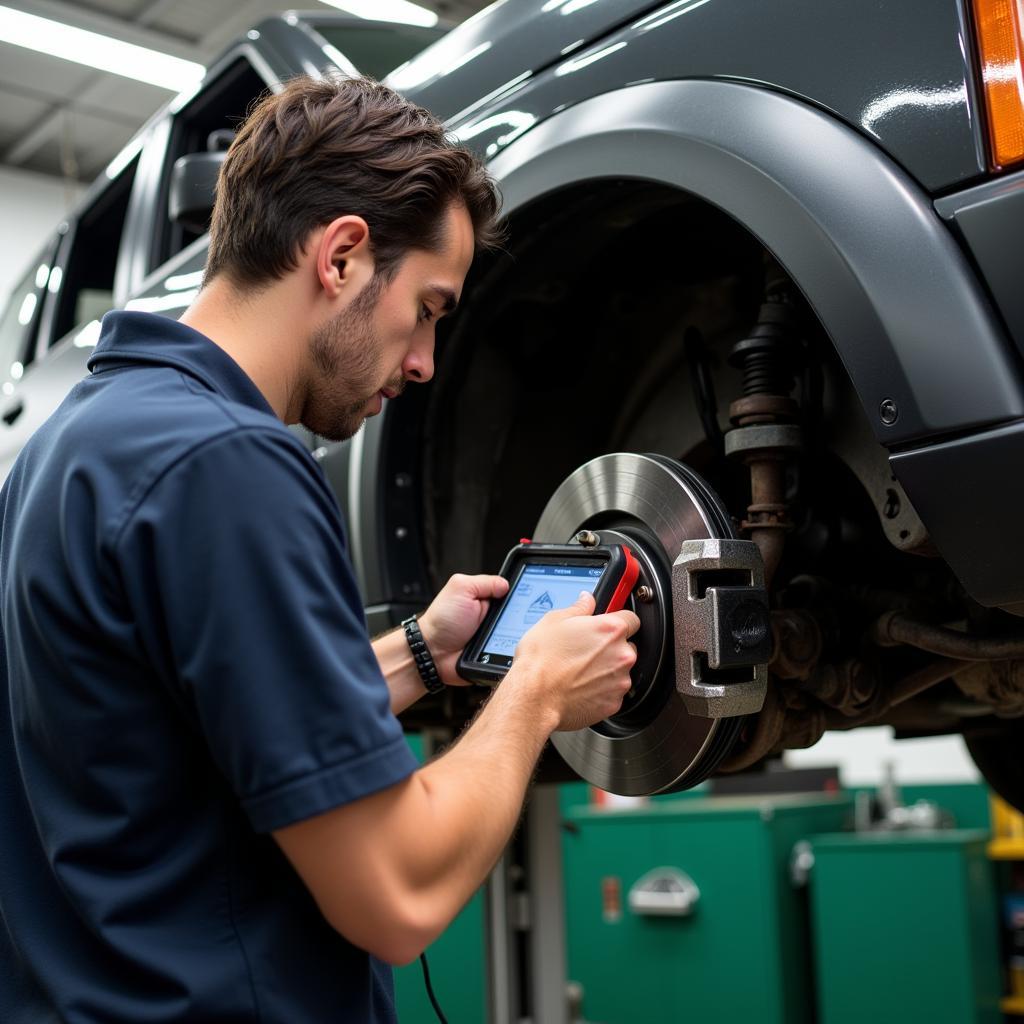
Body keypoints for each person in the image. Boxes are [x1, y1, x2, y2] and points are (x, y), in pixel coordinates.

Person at [0, 75, 639, 1023]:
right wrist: (537, 693)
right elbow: (398, 891)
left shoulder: (74, 447)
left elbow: (181, 723)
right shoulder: (228, 465)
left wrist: (421, 654)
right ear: (341, 256)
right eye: (426, 307)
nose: (424, 361)